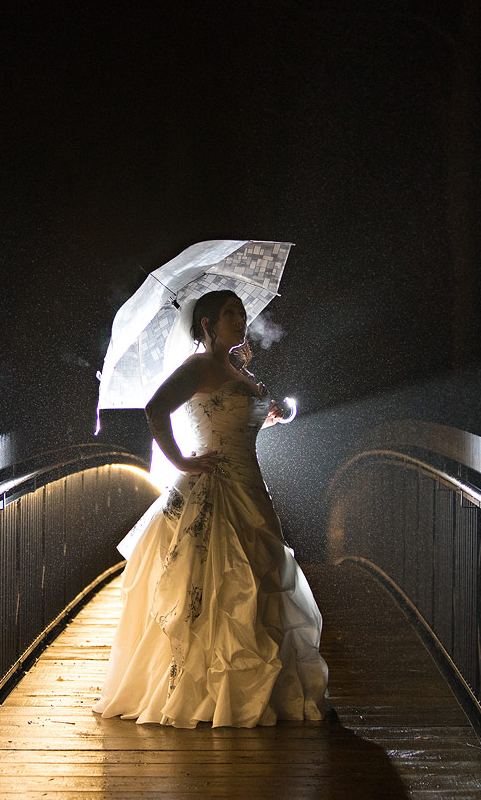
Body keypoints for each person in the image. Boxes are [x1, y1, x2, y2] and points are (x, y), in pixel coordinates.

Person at [92, 289, 330, 728]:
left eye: (240, 311)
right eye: (229, 313)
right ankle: (205, 692)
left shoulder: (235, 369)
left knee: (256, 580)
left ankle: (250, 689)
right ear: (207, 324)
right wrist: (181, 460)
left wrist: (267, 414)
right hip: (213, 486)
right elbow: (156, 408)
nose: (240, 319)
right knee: (216, 585)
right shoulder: (200, 366)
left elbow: (235, 417)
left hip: (251, 486)